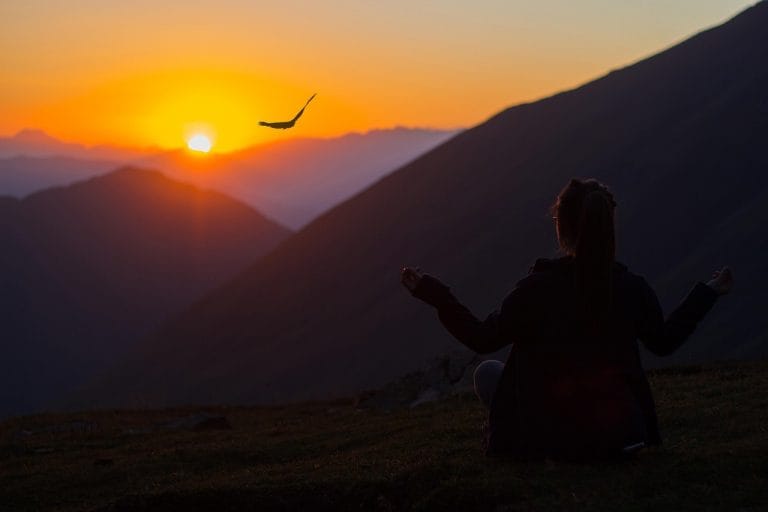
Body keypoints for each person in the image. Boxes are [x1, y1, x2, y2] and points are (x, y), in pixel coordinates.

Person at [401, 178, 733, 461]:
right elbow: (664, 341)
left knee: (488, 372)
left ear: (561, 227)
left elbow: (482, 338)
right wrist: (707, 293)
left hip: (547, 438)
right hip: (620, 436)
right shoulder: (630, 287)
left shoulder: (537, 289)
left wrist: (434, 293)